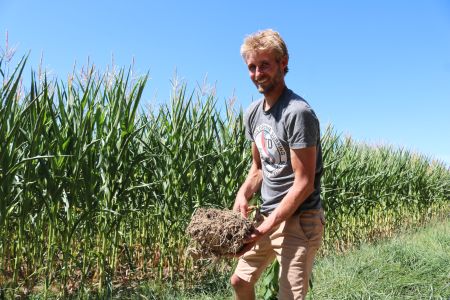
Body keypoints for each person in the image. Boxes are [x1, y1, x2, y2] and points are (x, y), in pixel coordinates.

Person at [230, 29, 325, 300]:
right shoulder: (252, 114)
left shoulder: (298, 113)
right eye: (252, 67)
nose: (258, 73)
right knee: (239, 281)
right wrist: (243, 193)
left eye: (265, 65)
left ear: (283, 63)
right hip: (267, 216)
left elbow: (304, 184)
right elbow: (258, 169)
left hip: (299, 219)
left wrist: (263, 227)